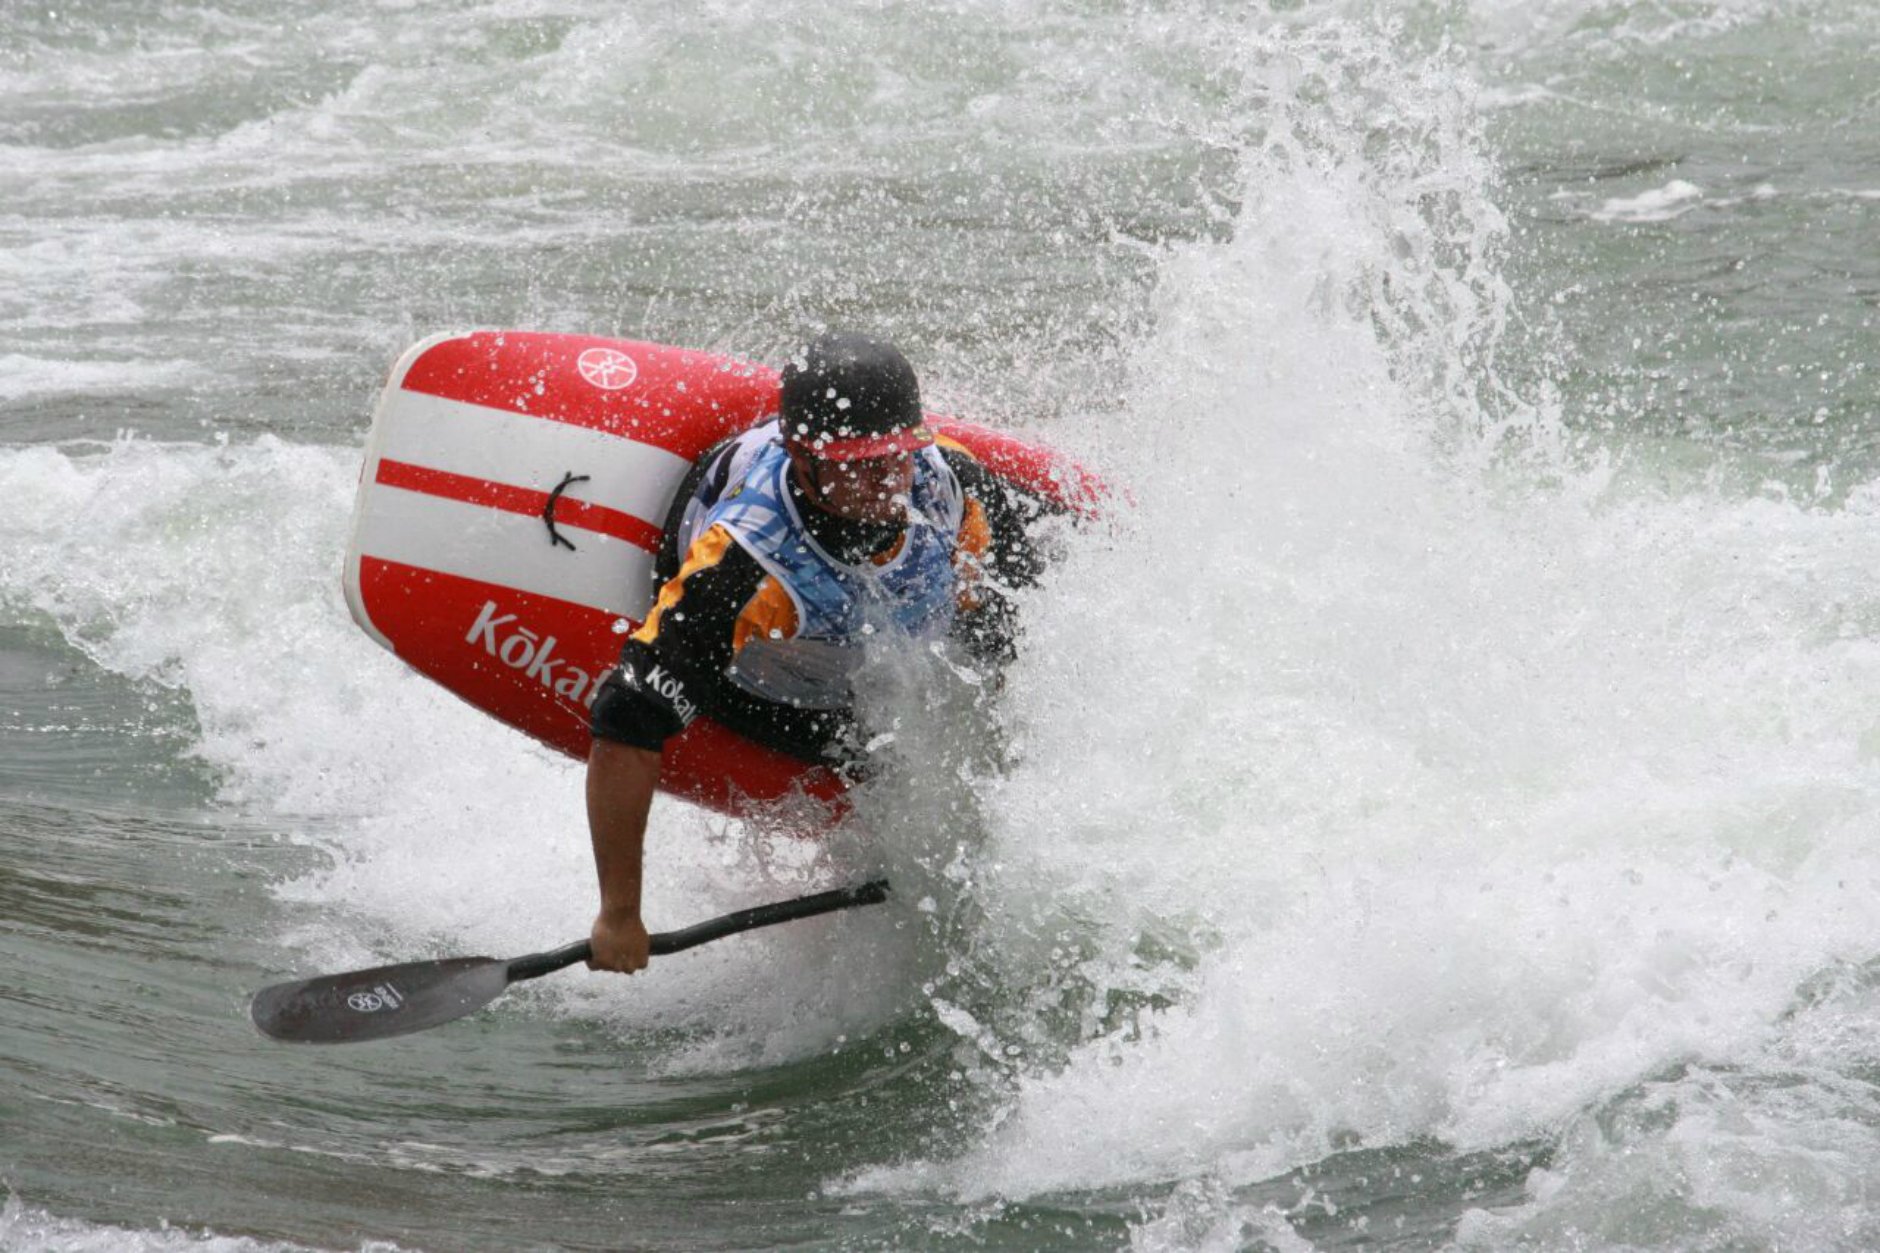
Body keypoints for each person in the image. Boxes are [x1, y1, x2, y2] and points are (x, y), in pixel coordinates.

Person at [582, 332, 1044, 974]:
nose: (885, 482)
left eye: (894, 457)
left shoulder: (947, 477)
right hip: (775, 693)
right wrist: (620, 915)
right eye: (858, 463)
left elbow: (1010, 598)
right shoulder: (745, 567)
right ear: (801, 456)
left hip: (891, 641)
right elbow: (625, 723)